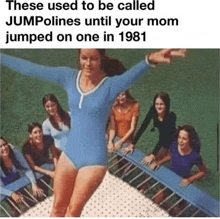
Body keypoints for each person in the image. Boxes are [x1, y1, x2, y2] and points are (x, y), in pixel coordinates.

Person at [1, 49, 186, 216]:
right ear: (79, 57)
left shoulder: (110, 86)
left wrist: (150, 59)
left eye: (93, 59)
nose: (88, 63)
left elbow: (133, 75)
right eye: (84, 58)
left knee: (73, 211)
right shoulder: (69, 77)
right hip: (70, 154)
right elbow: (31, 68)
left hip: (94, 160)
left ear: (101, 59)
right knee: (57, 208)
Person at [132, 92, 177, 167]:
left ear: (166, 105)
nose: (158, 107)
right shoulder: (153, 110)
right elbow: (144, 126)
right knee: (152, 159)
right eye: (157, 104)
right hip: (163, 140)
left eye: (161, 104)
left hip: (172, 141)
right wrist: (133, 143)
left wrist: (153, 155)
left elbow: (164, 138)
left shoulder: (171, 117)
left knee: (156, 160)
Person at [0, 137, 43, 203]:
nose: (4, 148)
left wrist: (34, 184)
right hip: (6, 189)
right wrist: (12, 194)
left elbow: (27, 169)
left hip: (18, 181)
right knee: (18, 207)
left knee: (31, 202)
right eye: (0, 146)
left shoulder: (15, 153)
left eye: (4, 144)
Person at [108, 90, 140, 154]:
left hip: (127, 140)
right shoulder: (113, 108)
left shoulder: (134, 106)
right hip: (116, 138)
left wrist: (120, 142)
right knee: (118, 159)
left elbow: (132, 128)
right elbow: (112, 128)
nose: (121, 97)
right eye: (118, 95)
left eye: (123, 94)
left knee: (125, 160)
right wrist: (110, 141)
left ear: (126, 94)